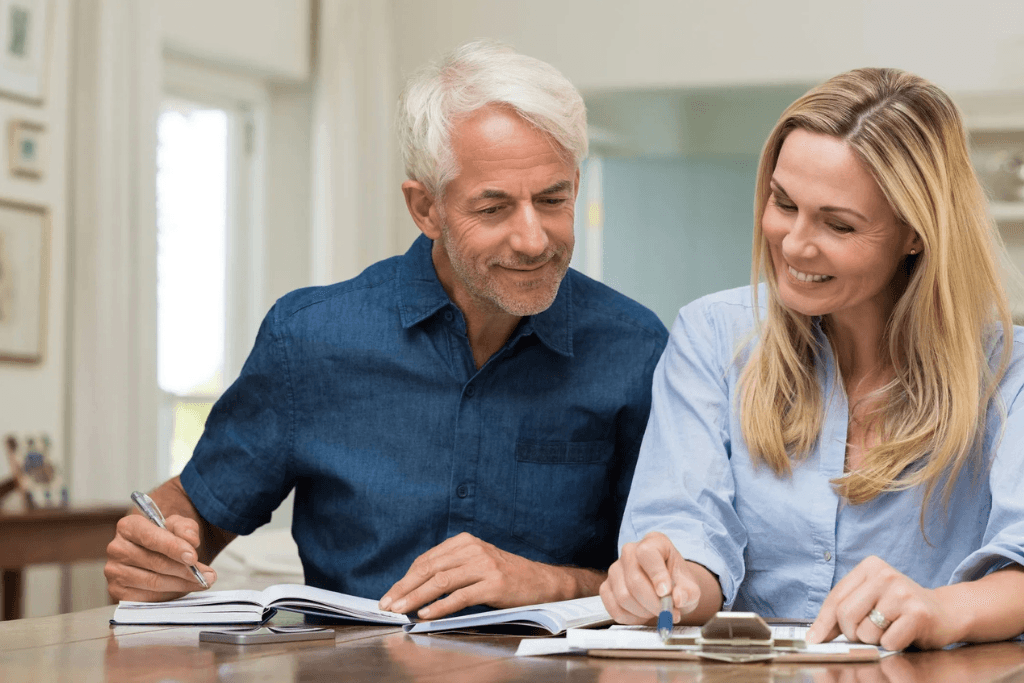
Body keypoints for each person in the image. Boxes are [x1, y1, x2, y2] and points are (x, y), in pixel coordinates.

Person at [104, 40, 668, 619]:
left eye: (554, 200)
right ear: (425, 209)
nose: (533, 239)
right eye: (493, 208)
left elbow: (667, 579)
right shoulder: (309, 339)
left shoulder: (634, 349)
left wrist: (543, 583)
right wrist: (154, 556)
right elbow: (196, 515)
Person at [600, 67, 1024, 651]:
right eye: (783, 202)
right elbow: (689, 536)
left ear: (917, 233)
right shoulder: (713, 336)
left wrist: (940, 608)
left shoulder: (1010, 375)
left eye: (838, 224)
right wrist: (669, 585)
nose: (795, 243)